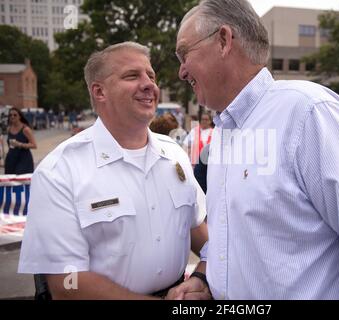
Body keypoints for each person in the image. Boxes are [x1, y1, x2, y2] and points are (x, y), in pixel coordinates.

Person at [169, 0, 339, 300]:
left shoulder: (309, 112)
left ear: (224, 40)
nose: (182, 72)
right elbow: (242, 242)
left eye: (184, 54)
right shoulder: (225, 134)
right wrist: (208, 281)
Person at [18, 42, 210, 300]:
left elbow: (199, 231)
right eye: (132, 76)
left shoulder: (174, 154)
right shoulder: (59, 170)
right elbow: (66, 283)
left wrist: (201, 276)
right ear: (99, 92)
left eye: (151, 76)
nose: (149, 85)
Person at [4, 107, 37, 174]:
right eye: (10, 115)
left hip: (23, 159)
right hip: (11, 159)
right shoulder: (9, 128)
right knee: (10, 180)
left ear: (20, 116)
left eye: (15, 115)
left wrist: (20, 144)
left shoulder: (25, 129)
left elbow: (34, 145)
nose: (12, 117)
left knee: (21, 180)